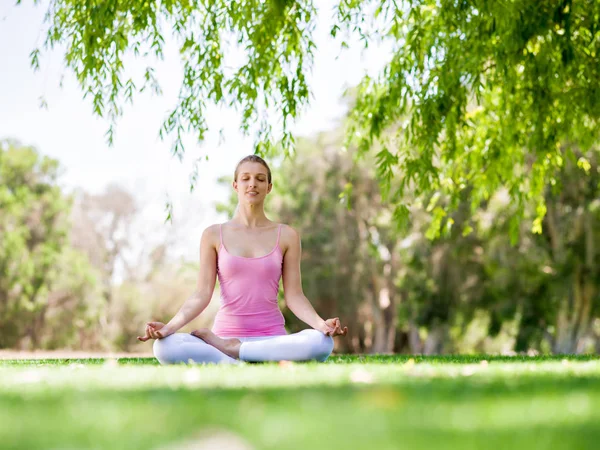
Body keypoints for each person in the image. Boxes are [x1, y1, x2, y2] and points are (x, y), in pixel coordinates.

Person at [137, 155, 348, 364]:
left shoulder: (286, 235)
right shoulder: (213, 234)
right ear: (235, 185)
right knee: (164, 347)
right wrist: (169, 328)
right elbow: (201, 294)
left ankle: (236, 353)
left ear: (269, 187)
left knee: (322, 343)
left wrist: (322, 326)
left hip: (271, 338)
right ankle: (240, 356)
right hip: (223, 337)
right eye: (246, 178)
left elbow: (294, 296)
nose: (252, 184)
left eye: (260, 178)